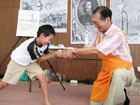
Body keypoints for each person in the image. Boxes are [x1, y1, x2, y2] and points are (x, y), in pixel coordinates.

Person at [63, 6, 136, 105]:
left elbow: (96, 50)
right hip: (107, 71)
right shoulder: (99, 33)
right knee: (95, 102)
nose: (95, 25)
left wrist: (74, 51)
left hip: (125, 72)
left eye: (96, 22)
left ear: (107, 19)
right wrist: (70, 53)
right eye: (94, 22)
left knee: (118, 74)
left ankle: (114, 100)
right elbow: (89, 48)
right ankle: (121, 94)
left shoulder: (117, 35)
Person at [0, 24, 62, 105]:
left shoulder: (45, 44)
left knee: (42, 76)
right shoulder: (31, 45)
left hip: (29, 61)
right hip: (18, 62)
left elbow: (45, 54)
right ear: (42, 35)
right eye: (49, 39)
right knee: (4, 84)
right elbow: (40, 59)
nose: (50, 42)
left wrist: (60, 53)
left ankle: (46, 101)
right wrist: (54, 55)